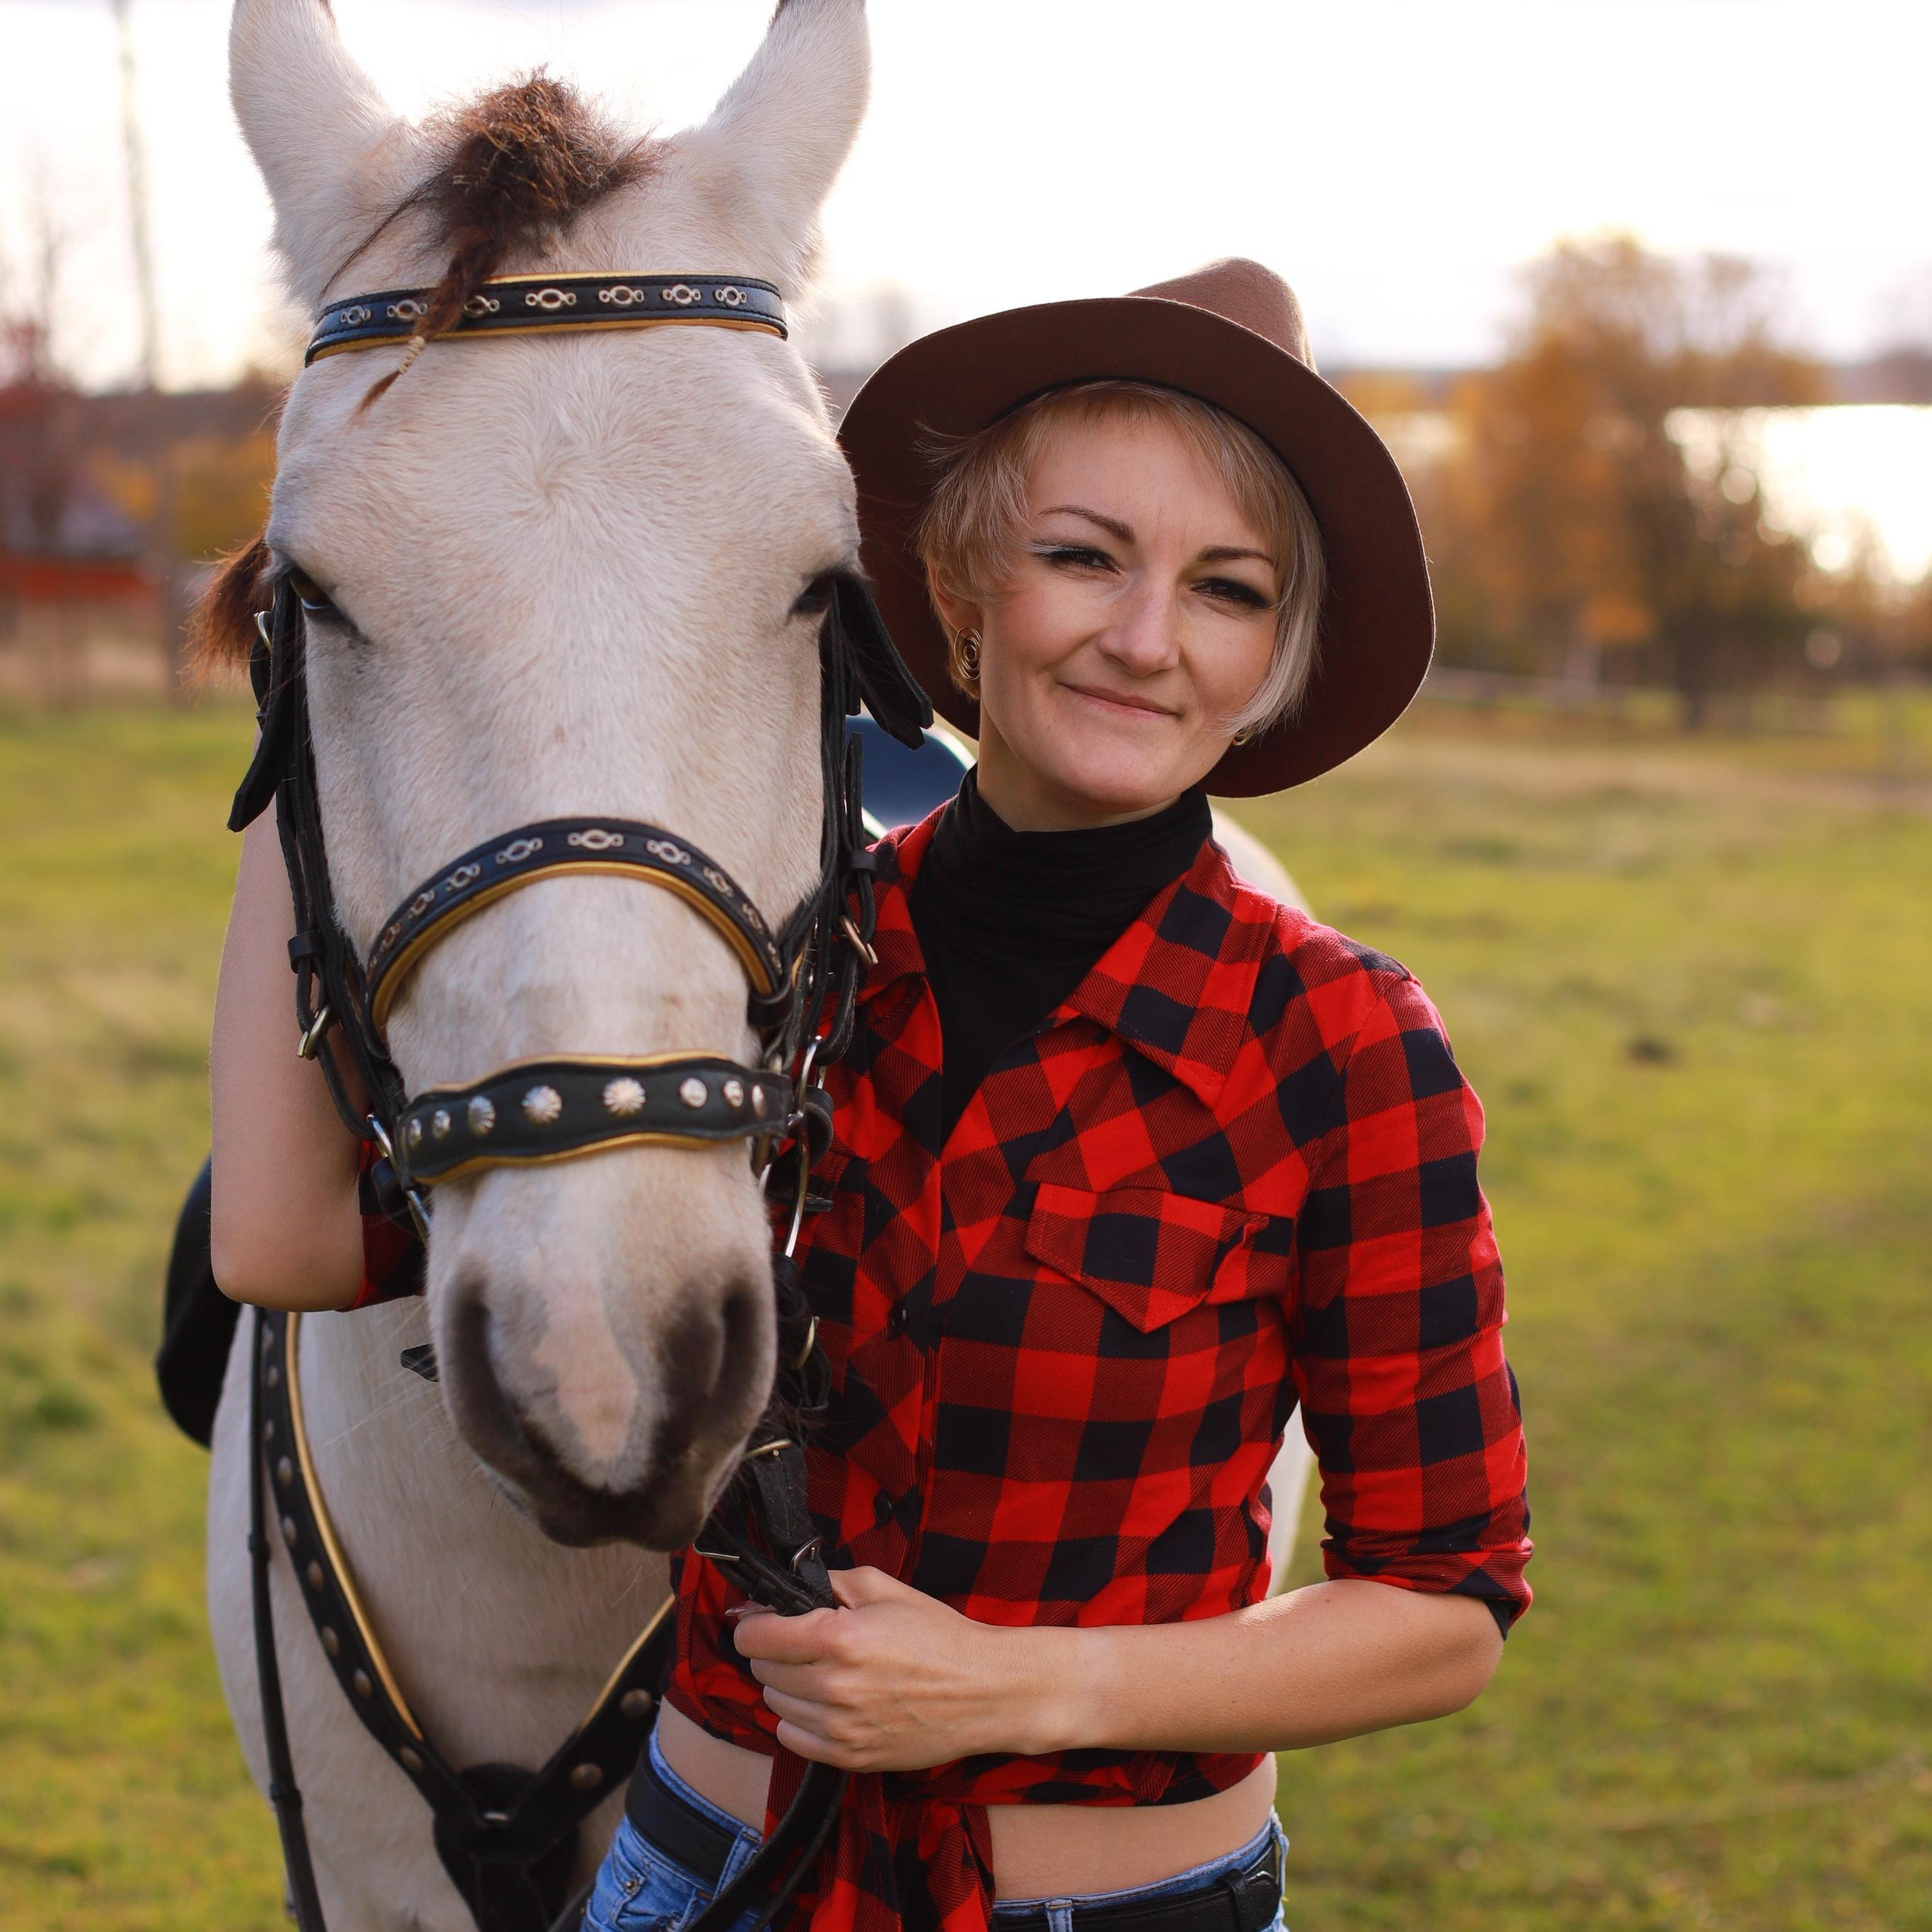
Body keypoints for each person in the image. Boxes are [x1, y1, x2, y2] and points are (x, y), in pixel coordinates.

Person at [213, 257, 1531, 1932]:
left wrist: (1016, 1691)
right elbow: (281, 1235)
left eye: (1225, 588)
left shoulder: (1338, 1042)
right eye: (1081, 557)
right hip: (697, 1880)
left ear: (1274, 656)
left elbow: (1442, 1606)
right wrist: (333, 660)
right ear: (960, 589)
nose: (1144, 638)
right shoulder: (777, 973)